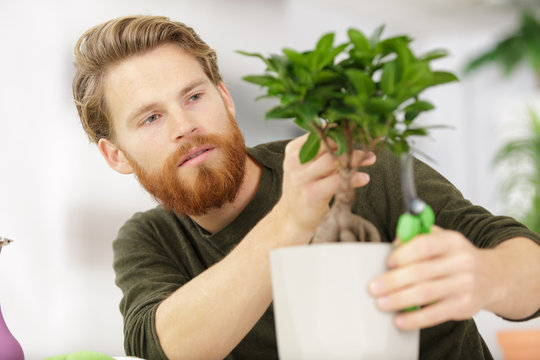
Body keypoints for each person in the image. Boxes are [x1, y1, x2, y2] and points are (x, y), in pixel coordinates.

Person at [72, 15, 540, 360]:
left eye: (194, 96)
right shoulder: (151, 239)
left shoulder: (352, 163)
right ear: (116, 155)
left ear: (226, 99)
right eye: (151, 117)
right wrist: (291, 218)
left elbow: (528, 266)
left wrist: (488, 274)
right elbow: (168, 346)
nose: (185, 126)